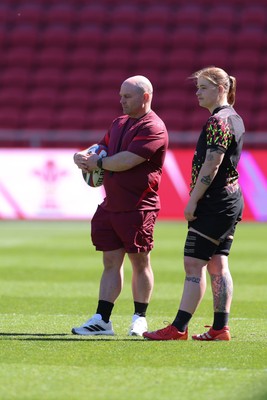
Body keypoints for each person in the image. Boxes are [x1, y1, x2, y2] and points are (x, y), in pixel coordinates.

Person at [143, 66, 245, 341]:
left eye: (203, 87)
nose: (197, 93)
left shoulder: (218, 122)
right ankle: (220, 327)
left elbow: (212, 163)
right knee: (217, 263)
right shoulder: (234, 118)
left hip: (214, 201)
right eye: (197, 87)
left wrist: (193, 200)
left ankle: (178, 327)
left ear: (221, 89)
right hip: (231, 198)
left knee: (193, 263)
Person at [72, 75, 169, 336]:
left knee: (140, 262)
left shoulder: (153, 127)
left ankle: (140, 317)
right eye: (120, 95)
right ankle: (102, 320)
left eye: (127, 97)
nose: (121, 101)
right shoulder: (118, 123)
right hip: (112, 204)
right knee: (111, 262)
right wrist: (83, 156)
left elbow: (127, 160)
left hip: (138, 206)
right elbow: (102, 148)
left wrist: (98, 164)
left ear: (145, 97)